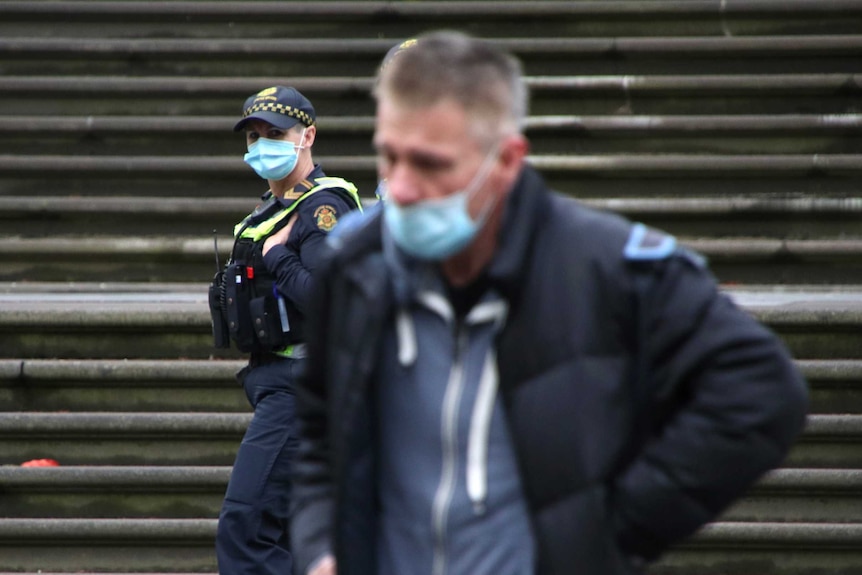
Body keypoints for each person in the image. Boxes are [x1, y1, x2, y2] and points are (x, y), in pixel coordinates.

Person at [289, 31, 808, 575]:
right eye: (389, 157)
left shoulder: (607, 266)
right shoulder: (353, 263)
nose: (401, 187)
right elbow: (321, 436)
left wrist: (609, 530)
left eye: (431, 165)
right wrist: (324, 546)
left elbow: (762, 391)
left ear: (508, 160)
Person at [209, 85, 361, 575]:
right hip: (276, 378)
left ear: (307, 136)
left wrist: (278, 256)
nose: (260, 146)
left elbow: (333, 297)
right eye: (253, 136)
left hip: (303, 384)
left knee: (247, 524)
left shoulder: (323, 207)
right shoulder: (269, 210)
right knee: (296, 539)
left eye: (275, 134)